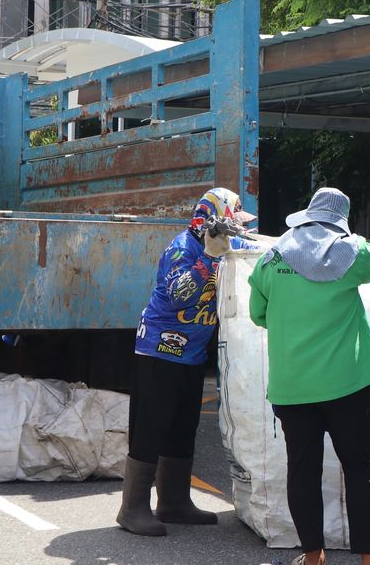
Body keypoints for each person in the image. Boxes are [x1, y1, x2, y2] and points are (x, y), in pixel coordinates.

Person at [247, 188, 370, 565]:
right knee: (361, 469)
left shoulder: (272, 259)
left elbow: (258, 314)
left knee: (302, 471)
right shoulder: (353, 255)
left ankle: (313, 556)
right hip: (347, 384)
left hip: (293, 386)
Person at [118, 187, 257, 537]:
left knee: (182, 428)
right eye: (232, 223)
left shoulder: (226, 244)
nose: (237, 230)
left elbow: (255, 252)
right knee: (151, 428)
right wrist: (208, 256)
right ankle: (132, 508)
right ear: (211, 222)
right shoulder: (182, 248)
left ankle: (174, 501)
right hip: (159, 351)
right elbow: (180, 294)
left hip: (193, 354)